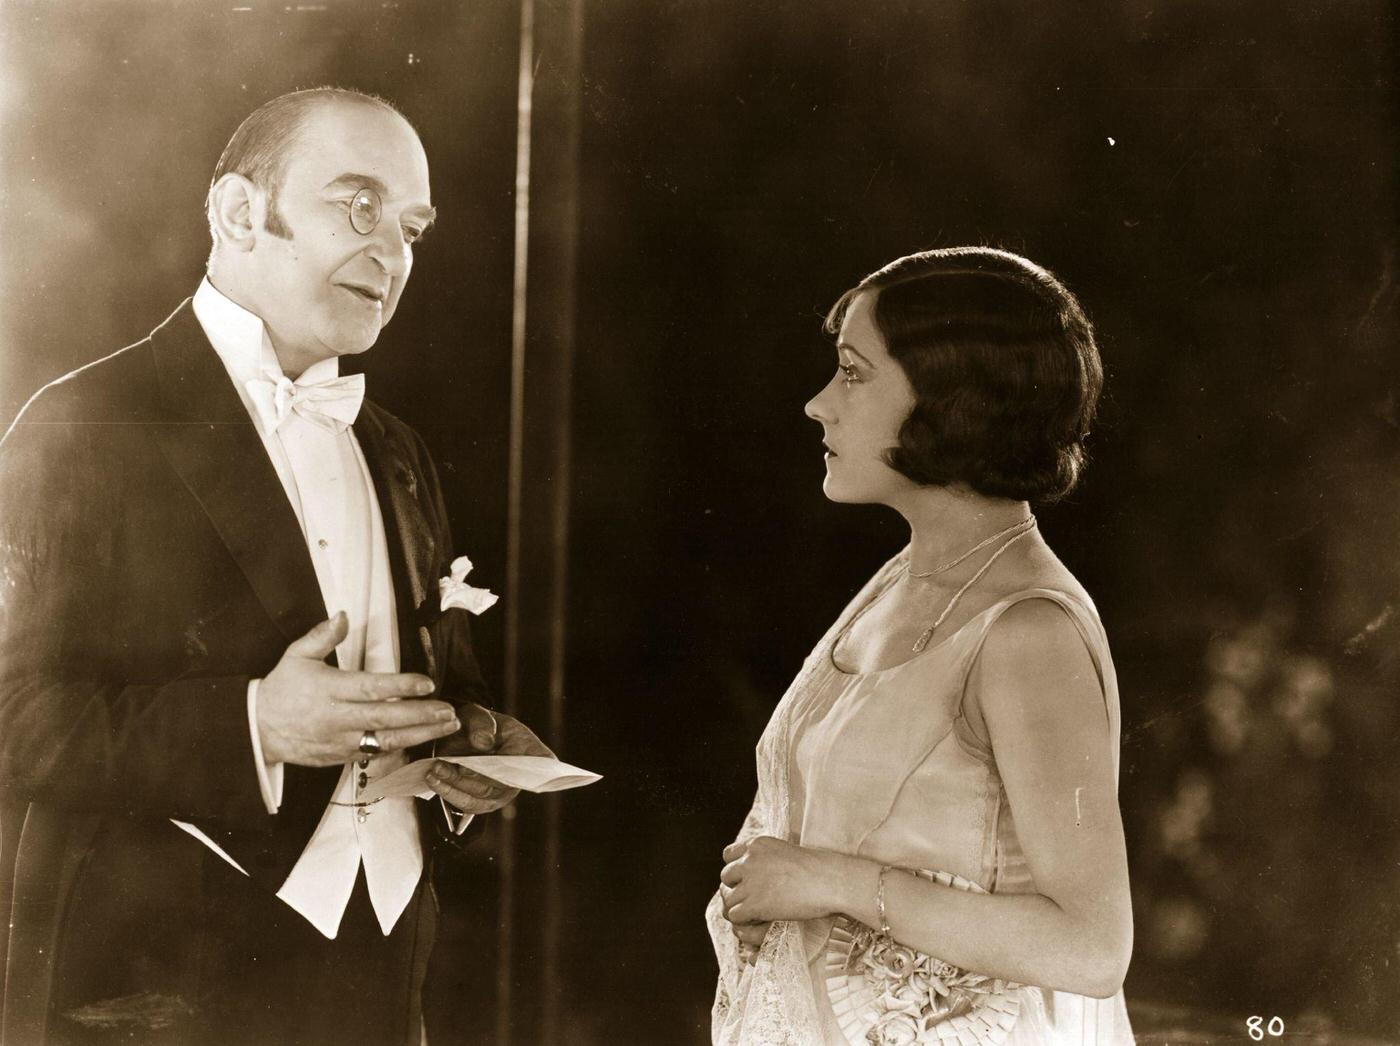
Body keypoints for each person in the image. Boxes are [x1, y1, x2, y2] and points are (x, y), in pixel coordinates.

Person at [0, 87, 550, 1046]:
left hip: (380, 971)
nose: (393, 256)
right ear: (240, 214)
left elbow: (426, 682)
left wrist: (468, 747)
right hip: (159, 988)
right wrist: (256, 722)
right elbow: (13, 716)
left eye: (412, 229)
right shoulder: (79, 423)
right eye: (360, 206)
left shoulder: (398, 451)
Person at [707, 247, 1136, 1045]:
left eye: (853, 373)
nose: (818, 404)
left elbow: (1094, 945)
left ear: (948, 400)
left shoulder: (1029, 631)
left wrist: (828, 882)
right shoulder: (905, 576)